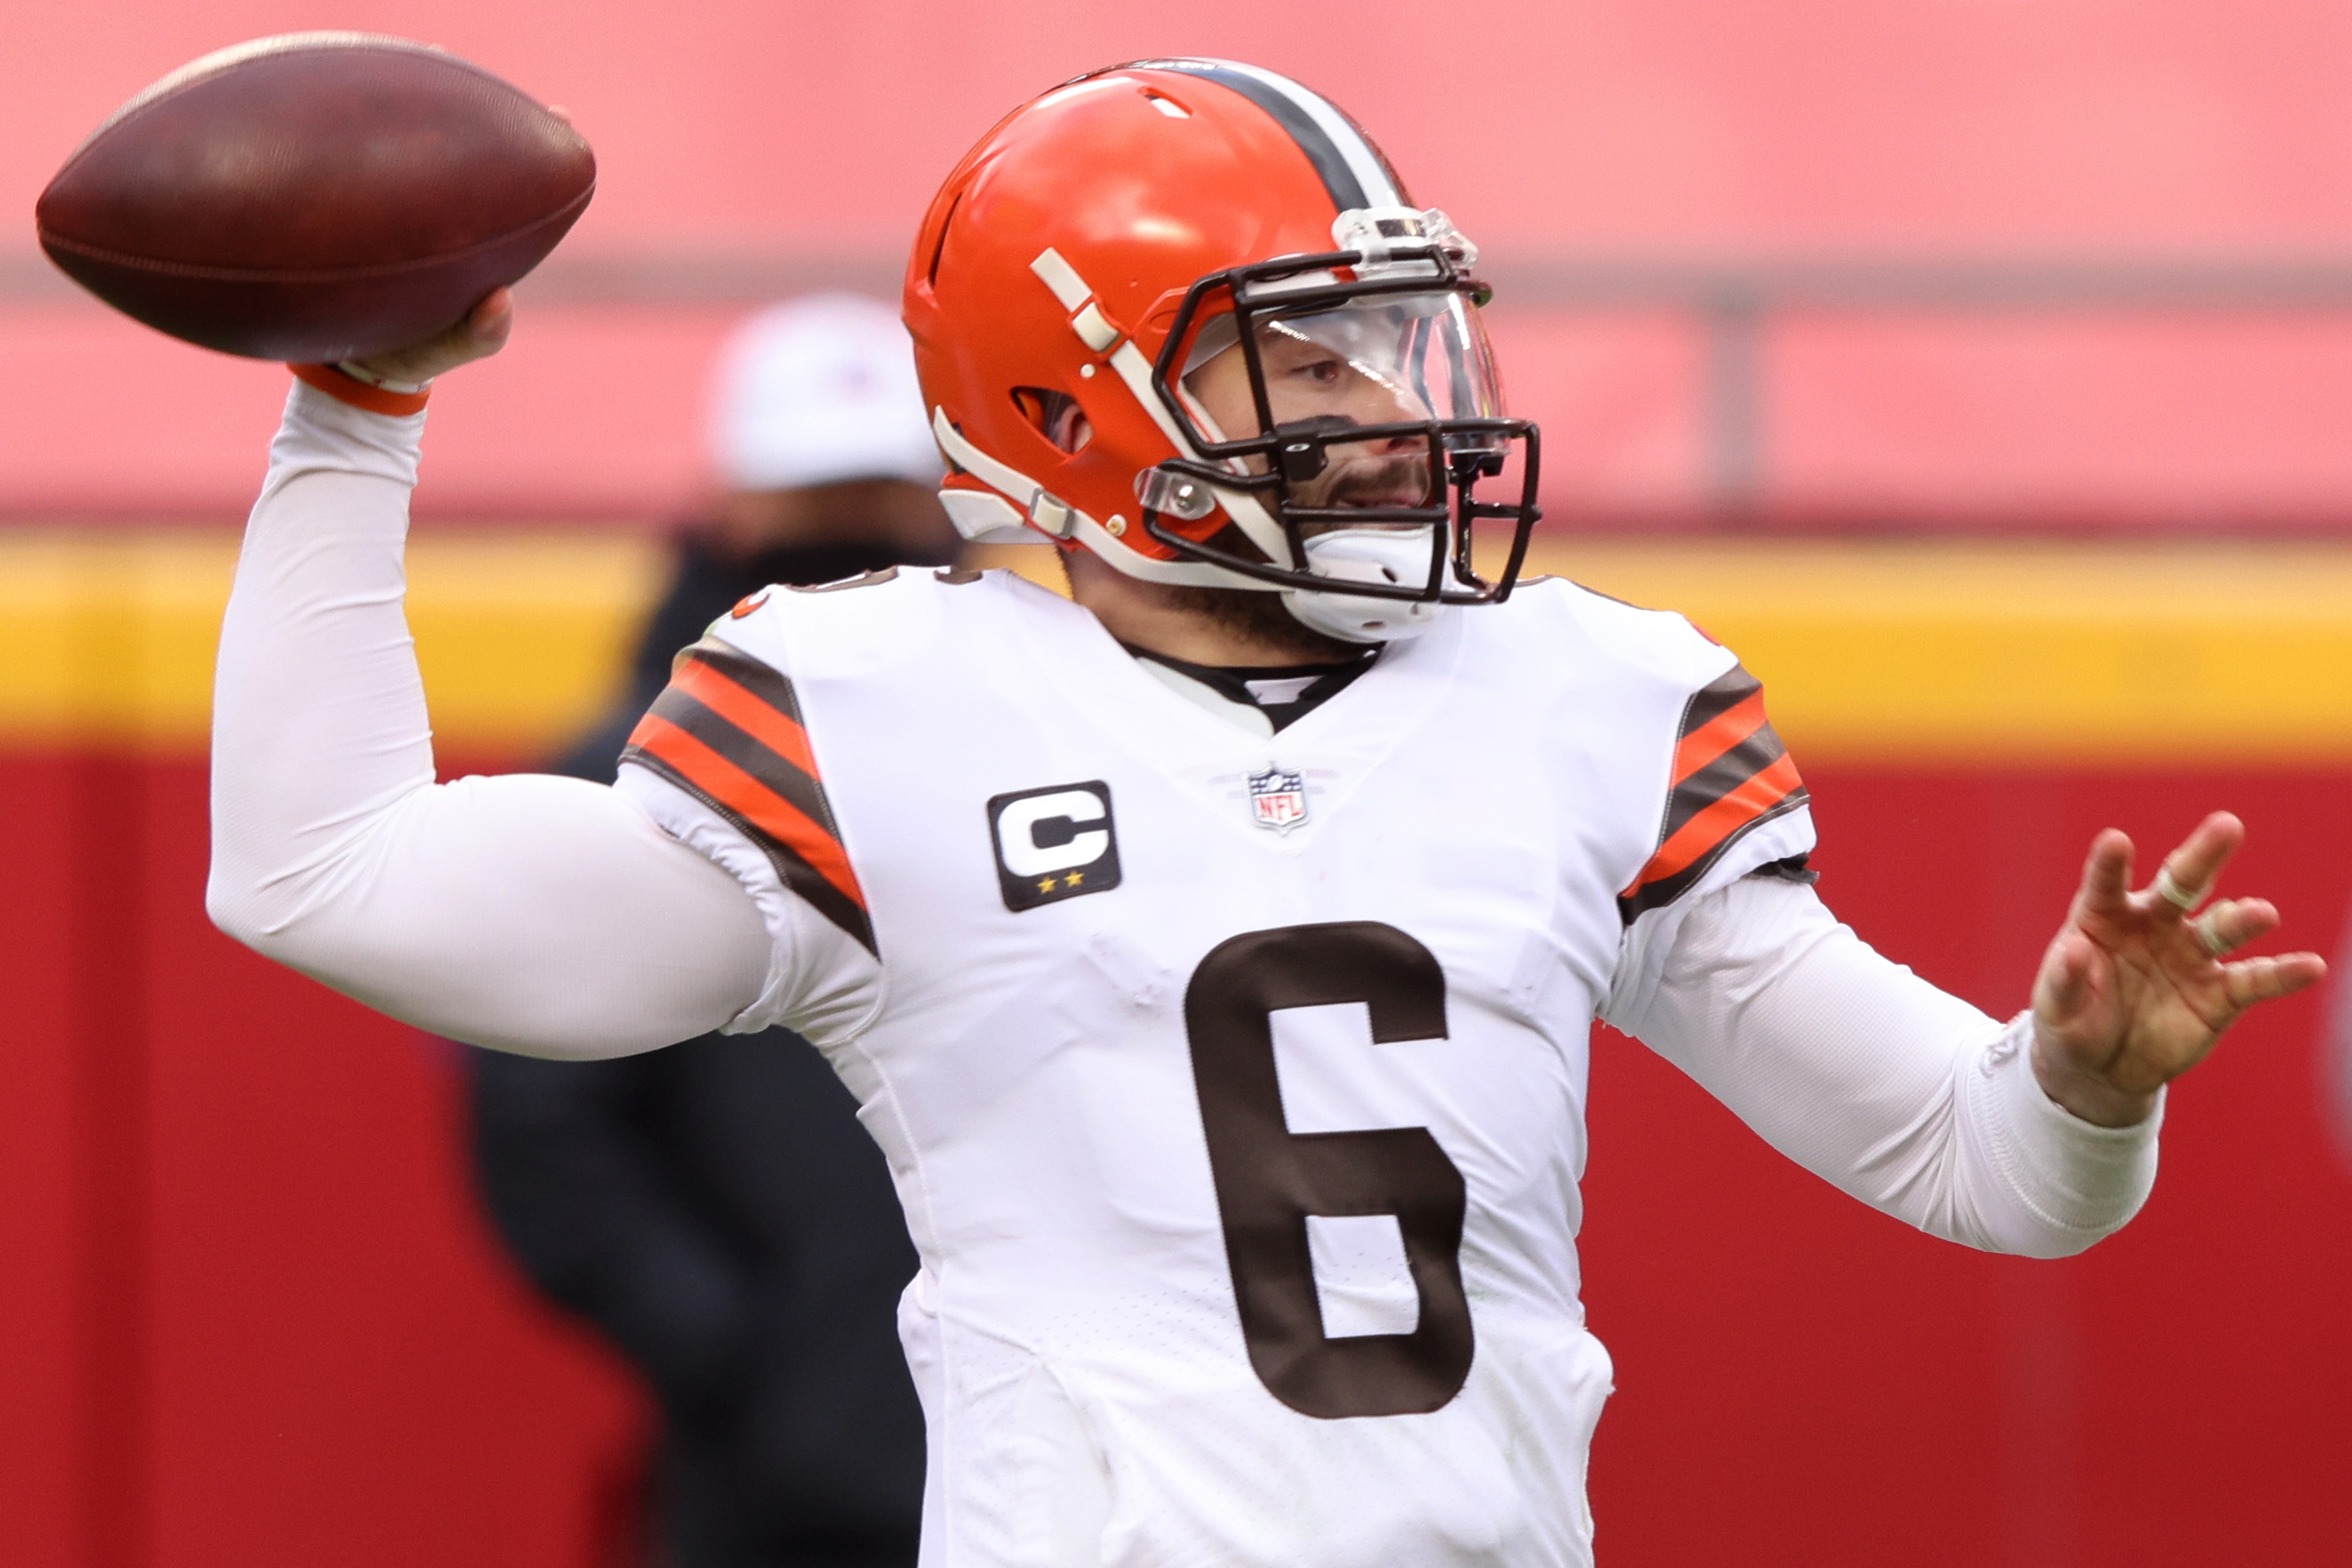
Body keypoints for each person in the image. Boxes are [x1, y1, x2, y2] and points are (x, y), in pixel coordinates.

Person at [207, 60, 2324, 1568]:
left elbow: (1985, 1174)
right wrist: (355, 415)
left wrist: (2080, 1085)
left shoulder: (1587, 701)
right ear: (1076, 409)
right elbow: (330, 882)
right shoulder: (887, 711)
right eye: (1308, 367)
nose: (1396, 416)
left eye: (1401, 350)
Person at [469, 294, 950, 1568]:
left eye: (877, 497)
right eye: (816, 501)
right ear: (731, 505)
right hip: (773, 1490)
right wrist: (747, 1356)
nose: (850, 537)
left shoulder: (1045, 754)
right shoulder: (622, 786)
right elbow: (547, 1131)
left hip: (1060, 1449)